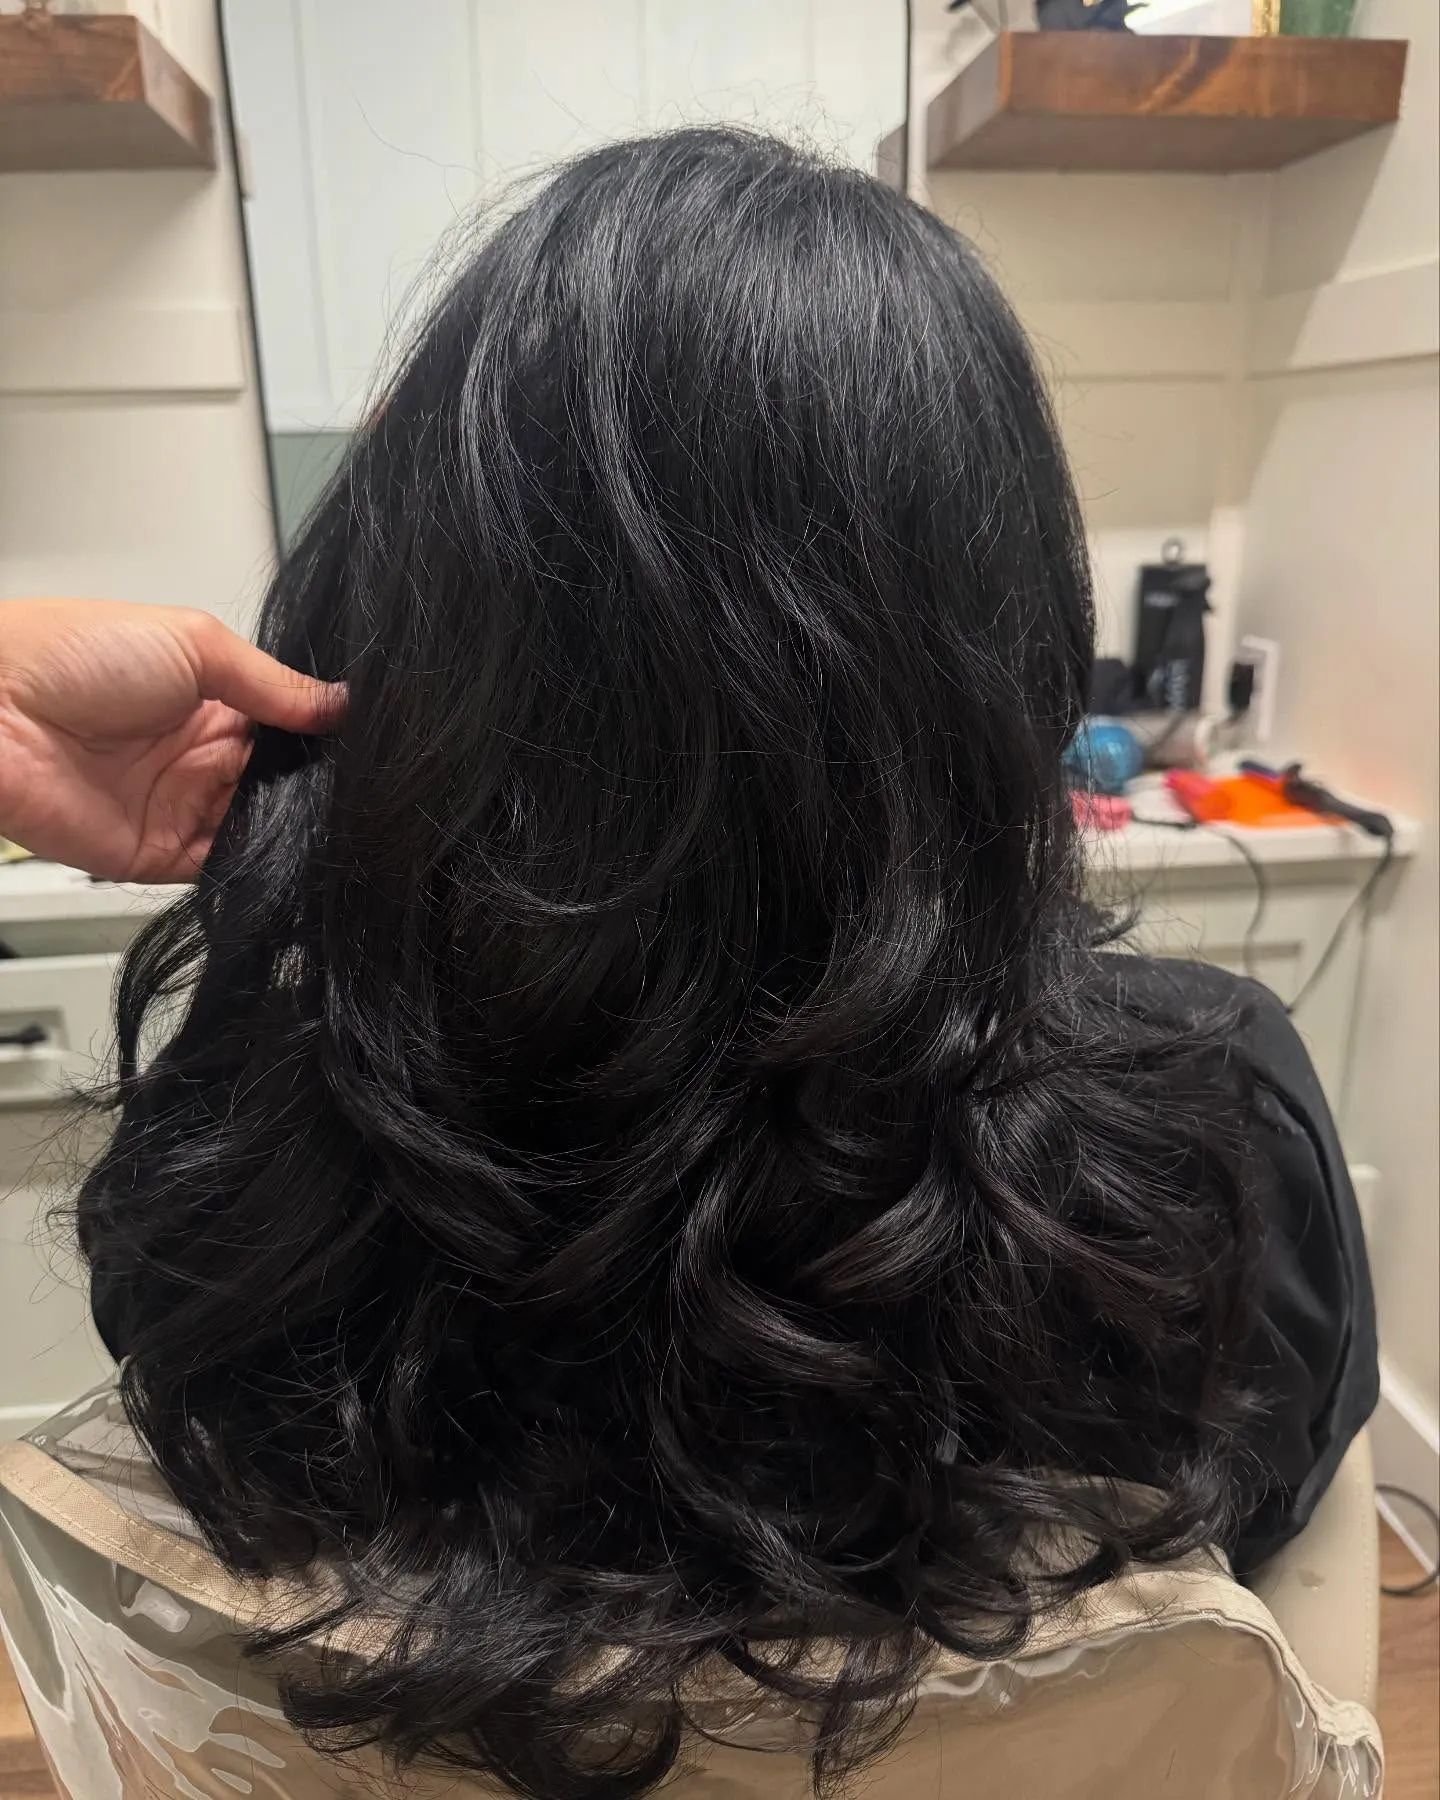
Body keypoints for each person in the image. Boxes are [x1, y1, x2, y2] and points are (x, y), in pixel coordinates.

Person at [0, 129, 1375, 1799]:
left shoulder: (256, 1158)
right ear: (994, 640)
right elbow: (1303, 1653)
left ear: (412, 613)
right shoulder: (1207, 1127)